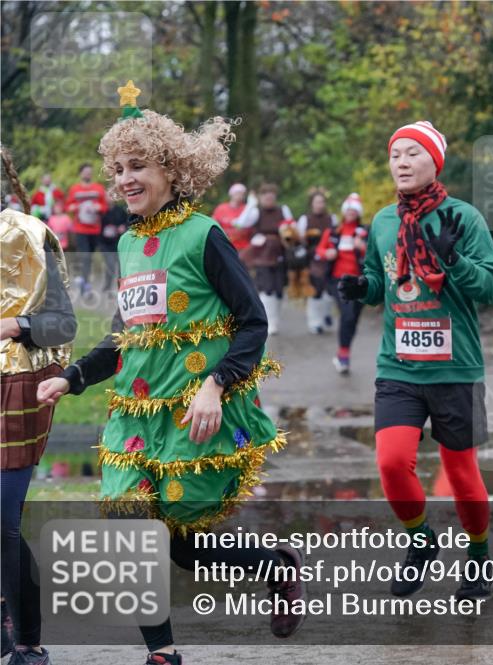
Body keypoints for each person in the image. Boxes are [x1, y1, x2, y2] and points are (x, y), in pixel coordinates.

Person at [35, 84, 304, 665]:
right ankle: (163, 654)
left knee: (183, 547)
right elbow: (123, 336)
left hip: (192, 414)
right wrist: (75, 376)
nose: (125, 179)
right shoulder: (129, 244)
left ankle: (275, 565)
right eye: (119, 169)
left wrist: (216, 384)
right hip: (135, 419)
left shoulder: (203, 235)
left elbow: (253, 321)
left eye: (140, 166)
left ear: (173, 170)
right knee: (130, 534)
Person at [338, 120, 493, 600]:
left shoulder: (464, 218)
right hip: (399, 366)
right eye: (396, 155)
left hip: (456, 368)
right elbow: (377, 278)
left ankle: (478, 558)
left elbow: (490, 287)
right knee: (391, 463)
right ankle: (421, 541)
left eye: (413, 153)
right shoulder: (384, 222)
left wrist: (454, 261)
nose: (402, 162)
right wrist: (360, 288)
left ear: (434, 162)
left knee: (462, 474)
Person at [1, 148, 77, 665]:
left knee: (2, 523)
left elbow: (64, 324)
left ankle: (27, 639)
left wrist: (15, 326)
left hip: (15, 388)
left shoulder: (28, 233)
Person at [231, 184, 294, 335]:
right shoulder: (256, 212)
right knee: (267, 288)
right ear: (261, 198)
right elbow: (240, 223)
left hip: (280, 253)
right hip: (261, 255)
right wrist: (251, 205)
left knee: (279, 289)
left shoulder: (283, 210)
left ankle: (275, 320)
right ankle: (269, 322)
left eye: (271, 196)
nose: (269, 199)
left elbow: (292, 227)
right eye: (265, 196)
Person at [315, 193, 367, 372]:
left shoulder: (364, 231)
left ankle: (343, 353)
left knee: (353, 319)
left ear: (358, 213)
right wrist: (326, 253)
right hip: (338, 280)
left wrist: (363, 247)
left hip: (360, 281)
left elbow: (376, 253)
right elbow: (320, 249)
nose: (351, 213)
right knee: (348, 315)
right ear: (344, 212)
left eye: (354, 210)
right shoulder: (333, 232)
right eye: (348, 210)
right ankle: (344, 356)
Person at [66, 162, 109, 293]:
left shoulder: (98, 188)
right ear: (80, 173)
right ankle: (85, 285)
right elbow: (68, 206)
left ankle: (89, 282)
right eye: (85, 172)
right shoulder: (74, 189)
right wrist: (73, 207)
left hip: (96, 229)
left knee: (95, 256)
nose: (88, 174)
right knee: (85, 257)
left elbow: (105, 206)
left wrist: (99, 208)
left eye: (90, 172)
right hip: (80, 229)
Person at [299, 189, 338, 334]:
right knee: (316, 290)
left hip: (330, 258)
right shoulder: (305, 219)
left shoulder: (332, 219)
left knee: (330, 291)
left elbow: (336, 237)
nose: (320, 205)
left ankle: (326, 315)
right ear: (312, 204)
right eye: (317, 202)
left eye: (322, 202)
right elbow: (300, 241)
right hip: (312, 259)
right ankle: (315, 322)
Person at [210, 182, 251, 251]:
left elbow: (249, 228)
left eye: (242, 194)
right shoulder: (221, 208)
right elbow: (213, 225)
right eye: (237, 193)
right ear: (231, 194)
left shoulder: (247, 209)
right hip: (224, 244)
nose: (240, 196)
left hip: (243, 247)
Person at [98, 201, 128, 292]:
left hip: (118, 242)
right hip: (105, 244)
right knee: (110, 265)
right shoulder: (101, 210)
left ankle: (122, 287)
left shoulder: (121, 210)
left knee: (120, 267)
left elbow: (129, 221)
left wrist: (124, 227)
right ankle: (107, 286)